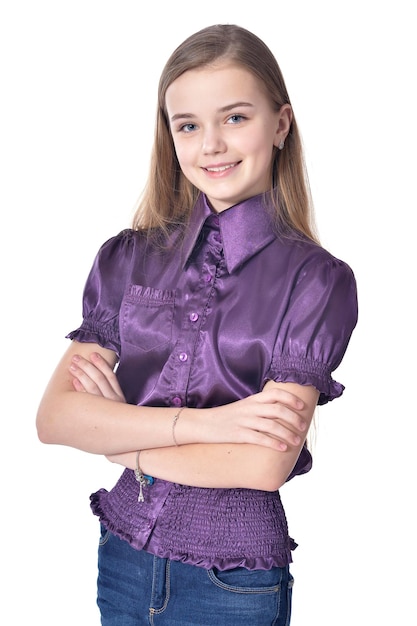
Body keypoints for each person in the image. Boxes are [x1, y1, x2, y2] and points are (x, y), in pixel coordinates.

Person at [36, 23, 358, 626]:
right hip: (123, 557)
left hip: (231, 583)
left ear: (280, 124)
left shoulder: (317, 281)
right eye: (188, 125)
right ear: (171, 136)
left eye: (235, 117)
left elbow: (262, 465)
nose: (211, 144)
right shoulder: (126, 258)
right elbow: (55, 419)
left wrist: (120, 442)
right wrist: (212, 426)